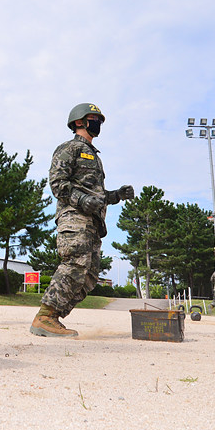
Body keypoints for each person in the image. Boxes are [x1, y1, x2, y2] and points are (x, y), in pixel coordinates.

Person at [30, 103, 134, 337]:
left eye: (99, 119)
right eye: (93, 118)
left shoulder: (95, 157)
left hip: (93, 223)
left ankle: (53, 317)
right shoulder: (69, 148)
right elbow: (58, 183)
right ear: (79, 122)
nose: (98, 123)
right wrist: (82, 200)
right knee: (75, 263)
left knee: (90, 274)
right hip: (74, 217)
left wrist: (117, 195)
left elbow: (98, 196)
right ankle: (45, 316)